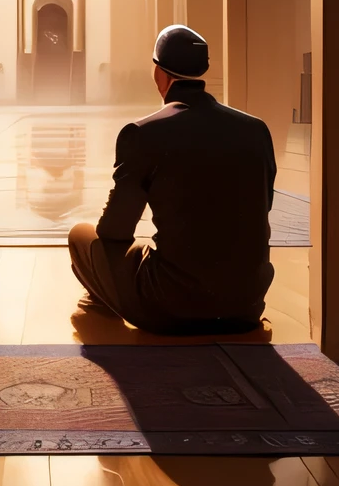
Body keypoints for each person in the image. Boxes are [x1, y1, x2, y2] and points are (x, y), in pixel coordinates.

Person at [68, 25, 276, 334]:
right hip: (245, 305)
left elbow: (114, 229)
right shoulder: (256, 129)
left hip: (172, 306)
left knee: (81, 236)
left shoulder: (143, 133)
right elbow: (263, 206)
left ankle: (102, 300)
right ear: (203, 70)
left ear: (159, 74)